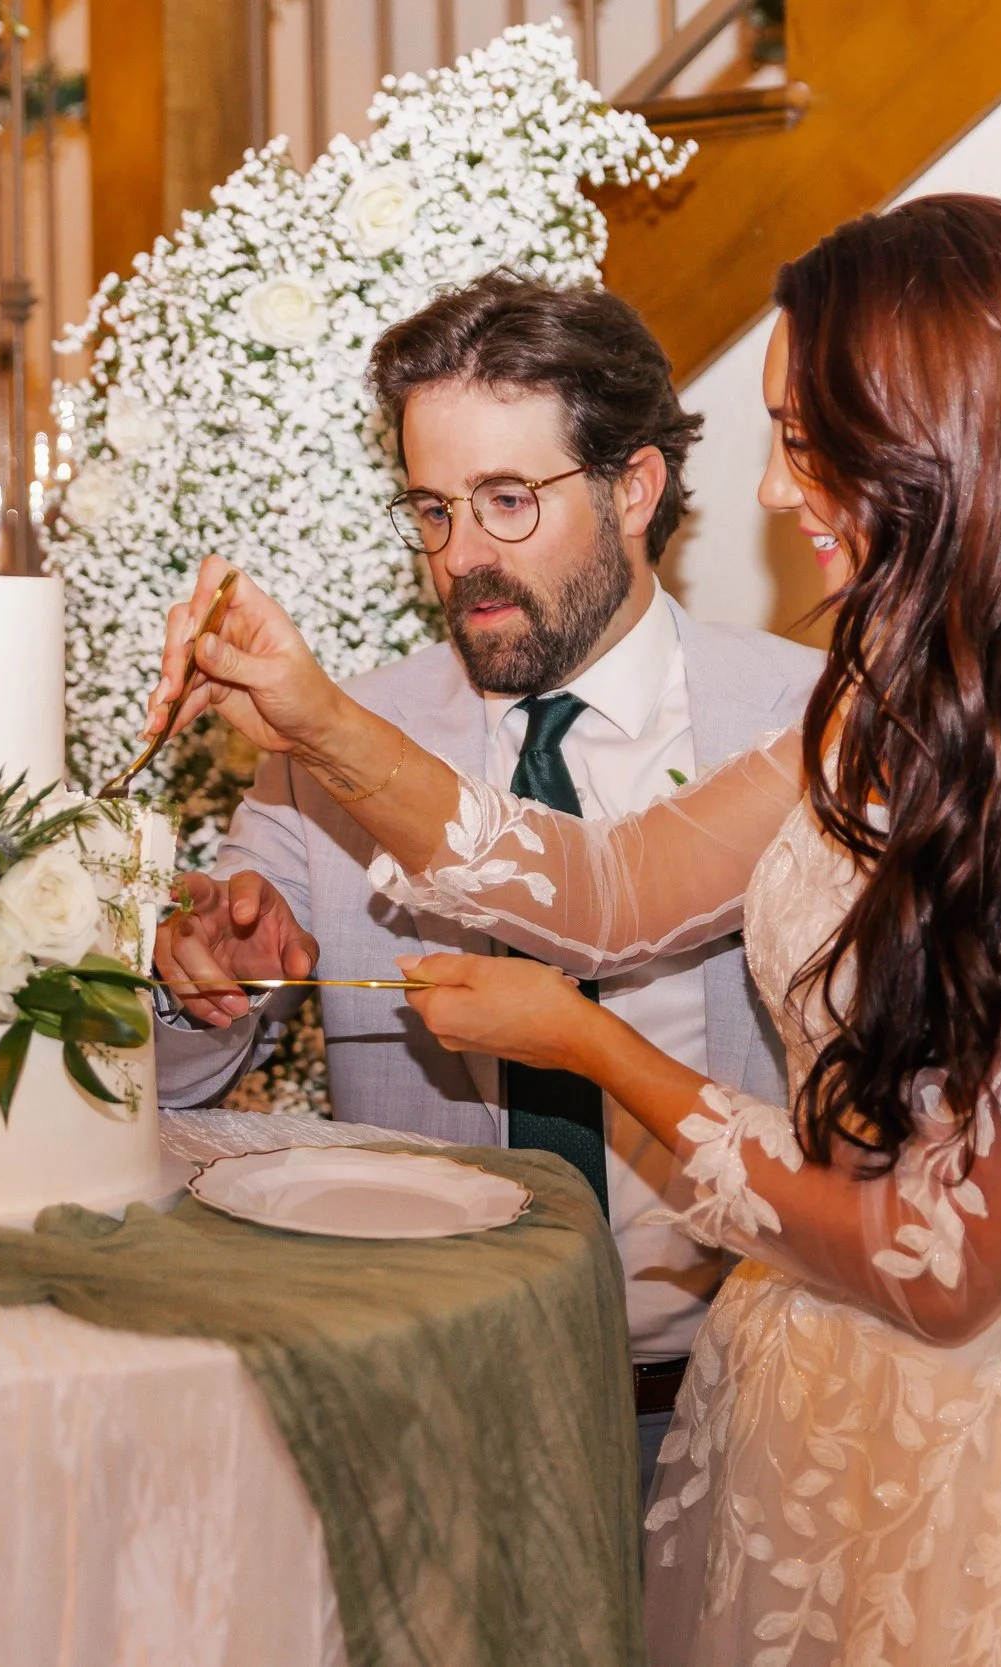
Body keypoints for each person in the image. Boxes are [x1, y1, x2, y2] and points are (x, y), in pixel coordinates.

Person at [145, 197, 1001, 1665]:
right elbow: (606, 889)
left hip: (986, 1462)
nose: (771, 488)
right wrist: (319, 716)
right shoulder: (886, 703)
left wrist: (588, 1043)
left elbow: (945, 1264)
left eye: (805, 435)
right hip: (791, 1417)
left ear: (942, 435)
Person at [152, 273, 826, 1497]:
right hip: (421, 1408)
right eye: (433, 509)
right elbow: (185, 1071)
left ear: (633, 486)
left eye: (508, 501)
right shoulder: (337, 734)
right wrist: (204, 968)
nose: (463, 558)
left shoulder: (794, 723)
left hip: (725, 1418)